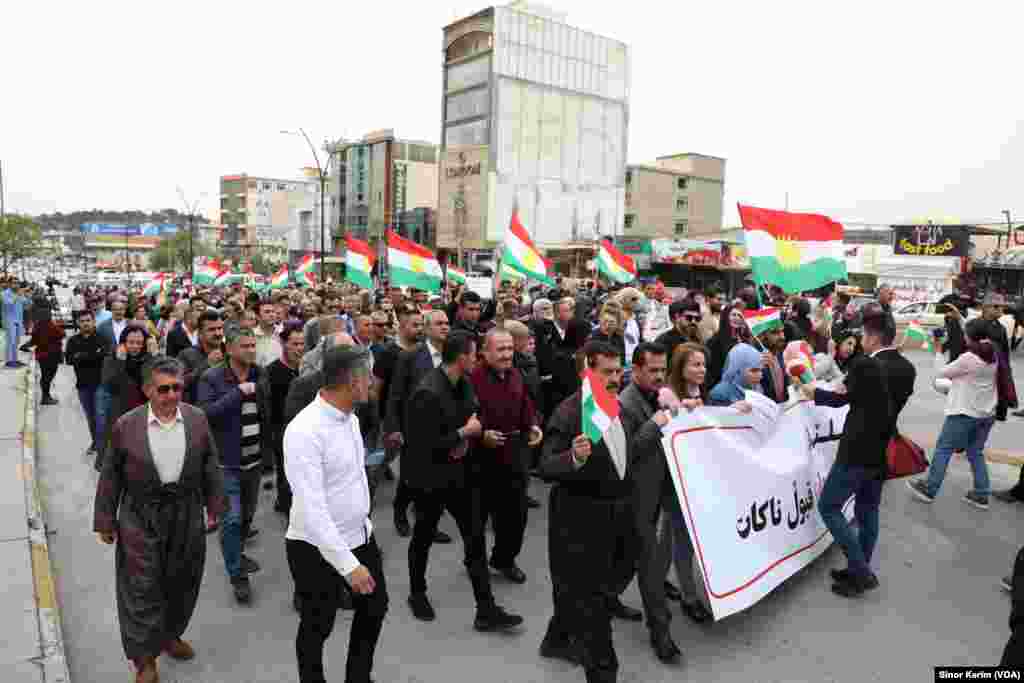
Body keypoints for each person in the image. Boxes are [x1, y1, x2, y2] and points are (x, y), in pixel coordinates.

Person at [93, 356, 224, 683]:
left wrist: (215, 505)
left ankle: (169, 636)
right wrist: (105, 520)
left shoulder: (197, 420)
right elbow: (110, 475)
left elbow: (210, 464)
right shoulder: (126, 425)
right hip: (141, 516)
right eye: (163, 389)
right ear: (147, 389)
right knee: (141, 589)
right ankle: (144, 658)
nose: (171, 395)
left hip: (185, 513)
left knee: (182, 580)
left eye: (177, 387)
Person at [403, 330, 524, 632]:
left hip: (460, 475)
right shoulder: (427, 392)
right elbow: (422, 444)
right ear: (461, 358)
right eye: (474, 354)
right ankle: (417, 593)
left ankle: (486, 609)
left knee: (475, 540)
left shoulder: (464, 382)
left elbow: (473, 415)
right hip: (430, 479)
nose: (478, 359)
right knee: (423, 536)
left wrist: (477, 431)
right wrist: (464, 433)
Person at [284, 346, 388, 683]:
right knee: (319, 623)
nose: (372, 382)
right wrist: (349, 565)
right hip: (314, 548)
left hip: (359, 537)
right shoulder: (304, 431)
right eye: (368, 375)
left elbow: (350, 479)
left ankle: (358, 677)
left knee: (374, 609)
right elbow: (313, 509)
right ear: (352, 381)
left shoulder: (351, 419)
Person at [539, 340, 636, 683]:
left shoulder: (616, 405)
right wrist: (575, 458)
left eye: (618, 370)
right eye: (606, 372)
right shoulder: (570, 412)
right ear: (587, 372)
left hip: (614, 515)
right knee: (593, 606)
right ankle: (603, 673)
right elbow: (546, 465)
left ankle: (557, 639)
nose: (615, 377)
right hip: (578, 523)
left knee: (585, 591)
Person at [798, 313, 894, 598]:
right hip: (878, 452)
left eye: (864, 334)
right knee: (867, 512)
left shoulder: (865, 364)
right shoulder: (883, 365)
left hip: (857, 453)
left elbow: (841, 397)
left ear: (873, 337)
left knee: (829, 507)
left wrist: (811, 392)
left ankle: (861, 571)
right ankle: (856, 569)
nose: (861, 339)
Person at [617, 342, 683, 664]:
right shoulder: (624, 403)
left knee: (626, 558)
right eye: (652, 370)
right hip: (635, 496)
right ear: (636, 369)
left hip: (661, 489)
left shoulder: (663, 395)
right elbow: (626, 452)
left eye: (662, 370)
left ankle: (606, 597)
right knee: (650, 565)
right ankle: (661, 632)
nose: (659, 376)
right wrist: (655, 423)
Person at [197, 327, 271, 604]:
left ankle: (236, 551)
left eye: (254, 345)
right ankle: (237, 575)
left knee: (247, 516)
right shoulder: (211, 378)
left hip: (253, 461)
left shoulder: (259, 373)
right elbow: (203, 414)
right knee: (231, 518)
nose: (252, 350)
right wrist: (237, 395)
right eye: (245, 346)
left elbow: (267, 411)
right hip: (225, 463)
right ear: (229, 349)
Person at [469, 329, 543, 584]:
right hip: (480, 460)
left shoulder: (515, 374)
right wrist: (481, 436)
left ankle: (504, 559)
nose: (506, 354)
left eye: (510, 348)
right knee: (476, 520)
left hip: (514, 455)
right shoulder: (472, 378)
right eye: (500, 349)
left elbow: (525, 403)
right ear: (485, 352)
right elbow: (460, 418)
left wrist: (532, 424)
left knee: (515, 516)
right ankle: (475, 564)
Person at [907, 317, 997, 508]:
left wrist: (938, 349)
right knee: (975, 452)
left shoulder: (970, 358)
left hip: (965, 413)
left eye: (965, 334)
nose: (963, 336)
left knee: (943, 449)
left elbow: (941, 372)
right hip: (987, 413)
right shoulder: (994, 353)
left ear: (972, 338)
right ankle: (981, 494)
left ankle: (929, 489)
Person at [384, 310, 452, 542]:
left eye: (446, 323)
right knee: (411, 479)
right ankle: (400, 510)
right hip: (414, 428)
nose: (445, 327)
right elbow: (395, 395)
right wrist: (394, 428)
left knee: (437, 480)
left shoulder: (452, 354)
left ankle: (429, 525)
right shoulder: (410, 356)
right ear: (426, 328)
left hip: (444, 429)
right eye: (439, 323)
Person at [95, 325, 157, 472]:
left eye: (139, 343)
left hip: (145, 410)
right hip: (120, 410)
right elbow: (110, 384)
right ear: (123, 342)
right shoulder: (112, 358)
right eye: (131, 342)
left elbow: (151, 385)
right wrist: (120, 361)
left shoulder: (150, 359)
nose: (135, 346)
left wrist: (153, 357)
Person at [263, 322, 303, 515]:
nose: (299, 348)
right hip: (281, 429)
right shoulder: (271, 371)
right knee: (285, 471)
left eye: (302, 344)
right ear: (283, 344)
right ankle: (287, 507)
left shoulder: (307, 369)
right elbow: (267, 406)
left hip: (304, 428)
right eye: (294, 344)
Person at [65, 309, 107, 454]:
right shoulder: (73, 340)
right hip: (82, 385)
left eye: (88, 320)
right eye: (82, 321)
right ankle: (95, 442)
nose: (85, 323)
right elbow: (69, 360)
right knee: (90, 417)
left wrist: (81, 356)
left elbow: (104, 355)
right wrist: (93, 355)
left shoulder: (101, 338)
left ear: (93, 321)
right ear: (78, 323)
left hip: (100, 383)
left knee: (100, 416)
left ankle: (102, 446)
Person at [21, 302, 64, 405]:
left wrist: (25, 346)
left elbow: (34, 340)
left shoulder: (37, 326)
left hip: (41, 355)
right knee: (49, 376)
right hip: (53, 355)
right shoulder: (52, 326)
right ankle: (46, 397)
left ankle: (46, 396)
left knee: (45, 376)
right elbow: (62, 334)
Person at [178, 311, 226, 406]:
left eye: (220, 328)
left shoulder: (230, 352)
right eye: (211, 329)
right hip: (198, 411)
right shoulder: (186, 355)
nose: (217, 333)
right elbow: (180, 384)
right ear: (200, 333)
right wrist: (206, 365)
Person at [656, 299, 703, 368]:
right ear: (677, 317)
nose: (693, 322)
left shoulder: (698, 340)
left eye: (697, 318)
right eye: (689, 318)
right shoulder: (664, 341)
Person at [2, 278, 30, 367]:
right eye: (14, 283)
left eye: (17, 283)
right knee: (11, 341)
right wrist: (18, 295)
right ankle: (9, 361)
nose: (16, 285)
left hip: (18, 320)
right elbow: (9, 303)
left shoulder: (18, 293)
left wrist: (27, 295)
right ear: (9, 284)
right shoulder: (4, 293)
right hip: (9, 320)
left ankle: (15, 359)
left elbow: (27, 303)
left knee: (16, 341)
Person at [758, 325, 789, 403]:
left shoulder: (780, 353)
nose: (782, 337)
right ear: (762, 336)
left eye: (782, 331)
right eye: (775, 332)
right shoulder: (756, 359)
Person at [253, 301, 282, 368]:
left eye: (273, 311)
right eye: (267, 312)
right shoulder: (251, 336)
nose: (271, 314)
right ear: (257, 316)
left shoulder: (283, 333)